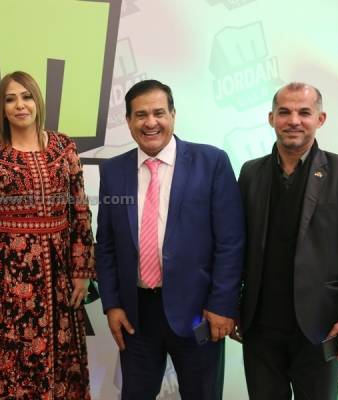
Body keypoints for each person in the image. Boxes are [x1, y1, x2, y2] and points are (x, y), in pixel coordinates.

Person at [95, 80, 245, 399]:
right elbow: (106, 244)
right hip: (136, 315)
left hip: (199, 313)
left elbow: (230, 242)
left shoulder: (212, 162)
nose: (150, 122)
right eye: (141, 115)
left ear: (173, 115)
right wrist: (112, 305)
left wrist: (222, 304)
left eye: (159, 113)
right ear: (129, 121)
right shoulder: (113, 171)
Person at [0, 71, 95, 399]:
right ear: (2, 109)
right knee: (9, 365)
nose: (20, 105)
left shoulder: (64, 148)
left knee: (62, 365)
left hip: (59, 283)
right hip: (6, 284)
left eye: (27, 96)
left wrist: (82, 271)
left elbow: (80, 211)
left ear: (38, 102)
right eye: (11, 99)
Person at [236, 82, 338, 400]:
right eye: (284, 112)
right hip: (260, 330)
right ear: (271, 118)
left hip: (322, 329)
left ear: (320, 119)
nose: (294, 121)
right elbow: (237, 247)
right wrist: (231, 305)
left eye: (304, 112)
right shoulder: (250, 173)